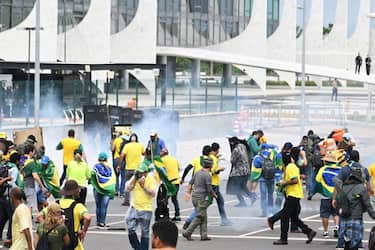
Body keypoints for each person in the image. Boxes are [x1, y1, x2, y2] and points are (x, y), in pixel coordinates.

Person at [272, 148, 316, 245]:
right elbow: (296, 178)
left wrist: (284, 183)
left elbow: (294, 180)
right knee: (294, 217)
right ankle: (309, 232)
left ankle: (283, 239)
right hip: (294, 194)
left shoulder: (290, 167)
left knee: (285, 216)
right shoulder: (293, 166)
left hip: (293, 194)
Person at [37, 180, 91, 250]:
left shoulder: (56, 204)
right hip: (73, 243)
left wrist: (46, 227)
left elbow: (39, 216)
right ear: (75, 192)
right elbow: (88, 217)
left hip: (57, 242)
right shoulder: (78, 206)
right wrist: (84, 231)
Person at [334, 161, 375, 249]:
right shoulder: (361, 188)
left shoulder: (343, 187)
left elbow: (339, 201)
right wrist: (373, 215)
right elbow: (368, 205)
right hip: (356, 218)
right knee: (355, 242)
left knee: (344, 242)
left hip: (344, 217)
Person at [182, 158, 217, 241]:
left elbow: (190, 183)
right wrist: (214, 195)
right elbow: (209, 189)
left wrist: (188, 192)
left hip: (194, 197)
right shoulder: (207, 175)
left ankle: (204, 235)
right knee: (200, 217)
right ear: (210, 166)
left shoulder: (198, 172)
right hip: (201, 198)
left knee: (203, 216)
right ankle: (187, 232)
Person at [313, 150, 344, 238]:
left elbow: (317, 180)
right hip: (337, 195)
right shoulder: (340, 169)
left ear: (326, 161)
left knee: (325, 214)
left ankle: (326, 232)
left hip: (325, 195)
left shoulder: (323, 169)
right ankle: (337, 227)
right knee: (336, 213)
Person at [126, 163, 157, 250]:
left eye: (142, 173)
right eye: (139, 173)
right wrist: (135, 178)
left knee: (145, 232)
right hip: (135, 207)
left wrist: (144, 187)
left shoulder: (151, 179)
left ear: (146, 173)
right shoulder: (135, 178)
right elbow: (128, 189)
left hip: (146, 209)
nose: (140, 175)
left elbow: (153, 193)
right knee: (130, 228)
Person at [226, 137, 255, 207]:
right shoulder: (243, 146)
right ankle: (252, 197)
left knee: (235, 187)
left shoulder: (236, 150)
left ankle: (242, 202)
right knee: (243, 186)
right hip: (247, 170)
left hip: (239, 172)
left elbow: (232, 160)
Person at [118, 133, 144, 206]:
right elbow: (144, 154)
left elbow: (122, 155)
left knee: (128, 185)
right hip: (138, 169)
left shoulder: (127, 146)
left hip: (128, 168)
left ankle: (127, 201)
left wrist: (119, 165)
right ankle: (139, 200)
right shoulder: (140, 145)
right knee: (139, 185)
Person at [90, 152, 116, 229]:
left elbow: (91, 175)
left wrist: (94, 183)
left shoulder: (96, 167)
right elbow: (113, 179)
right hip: (107, 190)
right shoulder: (109, 167)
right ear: (106, 159)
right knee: (104, 207)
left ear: (98, 159)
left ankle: (98, 222)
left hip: (97, 189)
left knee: (98, 207)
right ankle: (102, 222)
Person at [210, 142, 231, 226]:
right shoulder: (213, 159)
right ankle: (191, 220)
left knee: (220, 201)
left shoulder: (211, 157)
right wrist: (220, 170)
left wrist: (217, 158)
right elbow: (212, 171)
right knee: (206, 204)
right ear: (217, 150)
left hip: (214, 184)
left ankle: (224, 220)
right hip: (213, 184)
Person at [22, 144, 46, 213]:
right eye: (33, 152)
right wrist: (42, 187)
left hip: (22, 186)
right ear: (30, 152)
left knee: (25, 205)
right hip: (29, 186)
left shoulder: (22, 159)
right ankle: (28, 222)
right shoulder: (31, 162)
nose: (34, 154)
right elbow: (35, 176)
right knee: (30, 206)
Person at [160, 148, 181, 221]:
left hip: (169, 183)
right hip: (176, 182)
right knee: (174, 199)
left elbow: (160, 171)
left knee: (165, 199)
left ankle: (166, 215)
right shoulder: (174, 159)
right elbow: (178, 169)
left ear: (163, 153)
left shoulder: (162, 160)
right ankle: (177, 215)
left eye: (161, 152)